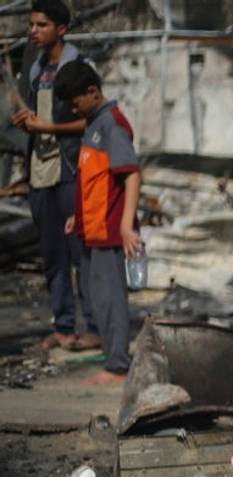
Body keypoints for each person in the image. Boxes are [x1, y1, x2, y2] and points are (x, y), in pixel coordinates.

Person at [13, 0, 97, 352]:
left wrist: (48, 127)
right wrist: (28, 124)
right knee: (52, 256)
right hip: (41, 172)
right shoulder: (36, 70)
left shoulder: (78, 68)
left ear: (61, 29)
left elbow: (91, 120)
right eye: (32, 24)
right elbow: (39, 119)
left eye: (42, 25)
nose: (34, 31)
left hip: (70, 170)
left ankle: (93, 328)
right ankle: (63, 328)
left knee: (81, 254)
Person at [54, 60, 140, 384]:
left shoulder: (112, 125)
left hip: (110, 229)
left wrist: (126, 226)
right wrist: (77, 215)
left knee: (111, 296)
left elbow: (130, 175)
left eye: (75, 102)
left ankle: (118, 365)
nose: (73, 109)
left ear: (92, 91)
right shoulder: (93, 124)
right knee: (95, 295)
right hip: (91, 228)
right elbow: (94, 180)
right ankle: (111, 356)